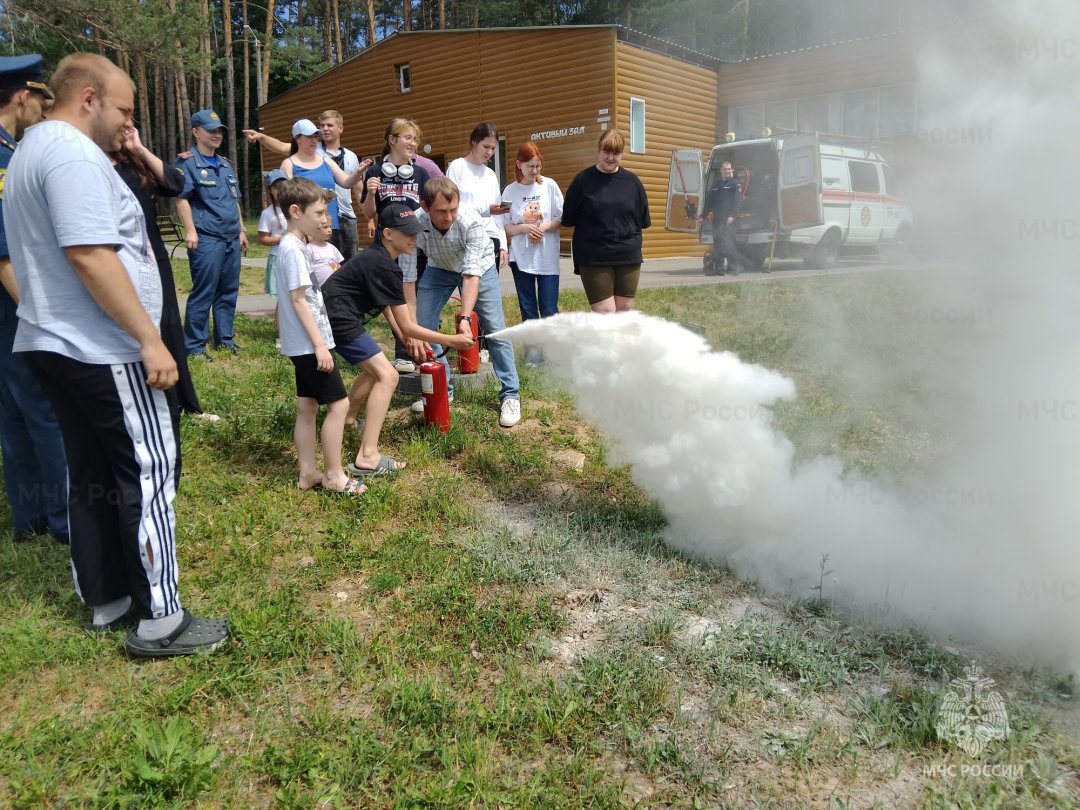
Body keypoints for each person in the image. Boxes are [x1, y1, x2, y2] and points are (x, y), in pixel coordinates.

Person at [6, 52, 227, 655]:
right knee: (148, 471)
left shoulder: (28, 149)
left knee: (94, 474)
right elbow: (91, 254)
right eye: (124, 109)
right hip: (104, 346)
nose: (128, 123)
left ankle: (109, 600)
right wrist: (150, 339)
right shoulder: (73, 154)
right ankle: (162, 621)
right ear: (88, 98)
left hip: (54, 341)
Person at [321, 204, 474, 474]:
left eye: (416, 232)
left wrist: (407, 335)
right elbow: (407, 324)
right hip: (337, 319)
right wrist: (451, 341)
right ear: (388, 233)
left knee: (374, 370)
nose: (414, 237)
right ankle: (367, 456)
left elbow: (388, 308)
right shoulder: (384, 266)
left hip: (333, 317)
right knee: (388, 375)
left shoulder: (380, 258)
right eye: (407, 233)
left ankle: (348, 418)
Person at [0, 54, 69, 544]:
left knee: (16, 413)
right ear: (22, 96)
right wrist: (38, 317)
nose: (41, 114)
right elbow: (4, 256)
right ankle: (67, 522)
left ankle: (30, 519)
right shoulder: (3, 158)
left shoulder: (10, 149)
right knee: (46, 410)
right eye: (39, 102)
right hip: (15, 306)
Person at [112, 127, 220, 424]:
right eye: (120, 117)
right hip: (118, 259)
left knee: (169, 326)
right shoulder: (92, 163)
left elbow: (175, 184)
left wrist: (139, 148)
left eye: (130, 120)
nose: (126, 126)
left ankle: (186, 403)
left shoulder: (133, 161)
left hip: (152, 256)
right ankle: (144, 404)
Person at [400, 177, 521, 428]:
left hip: (480, 268)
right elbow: (408, 278)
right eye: (441, 211)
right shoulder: (414, 224)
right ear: (425, 206)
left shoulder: (469, 221)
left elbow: (470, 274)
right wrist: (411, 325)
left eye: (453, 209)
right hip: (439, 268)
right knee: (424, 325)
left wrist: (465, 318)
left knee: (496, 329)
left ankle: (510, 394)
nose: (448, 217)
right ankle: (444, 389)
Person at [272, 177, 364, 497]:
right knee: (339, 405)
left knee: (307, 406)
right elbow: (299, 300)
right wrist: (319, 345)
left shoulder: (295, 246)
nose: (325, 219)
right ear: (295, 212)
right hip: (311, 345)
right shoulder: (293, 250)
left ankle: (307, 472)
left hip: (302, 344)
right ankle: (334, 475)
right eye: (319, 212)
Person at [173, 109, 248, 360]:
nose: (217, 135)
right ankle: (194, 346)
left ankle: (225, 339)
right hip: (206, 238)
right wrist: (190, 231)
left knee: (228, 290)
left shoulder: (225, 165)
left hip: (230, 237)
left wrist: (242, 229)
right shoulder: (187, 163)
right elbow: (181, 199)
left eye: (219, 131)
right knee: (204, 291)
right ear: (196, 132)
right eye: (211, 131)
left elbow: (234, 200)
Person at [360, 118, 432, 375]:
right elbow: (369, 213)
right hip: (387, 244)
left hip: (413, 243)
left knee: (411, 294)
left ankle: (416, 346)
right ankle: (403, 351)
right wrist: (370, 193)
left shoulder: (421, 174)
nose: (413, 143)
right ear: (393, 140)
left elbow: (426, 210)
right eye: (408, 138)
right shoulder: (376, 172)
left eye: (415, 139)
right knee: (392, 295)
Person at [560, 129, 650, 313]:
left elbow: (642, 220)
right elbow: (568, 218)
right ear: (598, 151)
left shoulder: (633, 182)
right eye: (606, 152)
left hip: (628, 256)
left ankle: (622, 344)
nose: (610, 157)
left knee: (625, 309)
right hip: (594, 257)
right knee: (605, 312)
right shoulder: (582, 181)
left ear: (621, 154)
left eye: (616, 153)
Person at [501, 141, 563, 367]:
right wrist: (525, 229)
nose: (535, 171)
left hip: (546, 258)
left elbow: (560, 218)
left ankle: (552, 354)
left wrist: (543, 228)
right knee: (528, 307)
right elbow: (505, 226)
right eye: (530, 166)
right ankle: (533, 356)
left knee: (548, 307)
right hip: (521, 258)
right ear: (519, 165)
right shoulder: (510, 191)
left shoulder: (549, 186)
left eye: (538, 166)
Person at [280, 118, 369, 252]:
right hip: (306, 229)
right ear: (297, 138)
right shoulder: (289, 164)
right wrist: (315, 193)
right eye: (309, 136)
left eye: (316, 136)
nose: (314, 140)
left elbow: (346, 182)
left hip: (329, 226)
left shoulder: (325, 160)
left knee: (333, 268)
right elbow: (287, 197)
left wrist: (358, 172)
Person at [446, 122, 508, 271]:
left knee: (489, 293)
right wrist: (486, 210)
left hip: (491, 238)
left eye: (493, 148)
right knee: (470, 291)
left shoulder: (491, 174)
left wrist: (503, 245)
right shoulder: (457, 166)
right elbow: (451, 206)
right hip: (466, 237)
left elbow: (498, 214)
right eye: (485, 146)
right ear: (473, 142)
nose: (490, 152)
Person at [315, 110, 362, 260]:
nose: (325, 129)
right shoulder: (314, 151)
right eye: (322, 125)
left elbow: (358, 188)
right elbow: (284, 147)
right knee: (326, 262)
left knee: (351, 263)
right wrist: (262, 137)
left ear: (341, 128)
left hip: (348, 216)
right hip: (324, 215)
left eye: (330, 125)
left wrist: (370, 220)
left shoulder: (351, 156)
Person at [699, 160, 748, 276]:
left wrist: (732, 215)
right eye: (725, 169)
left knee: (729, 243)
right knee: (718, 243)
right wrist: (702, 216)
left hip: (729, 220)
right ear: (721, 170)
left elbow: (737, 202)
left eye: (729, 169)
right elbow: (709, 203)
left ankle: (734, 267)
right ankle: (719, 268)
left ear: (731, 170)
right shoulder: (715, 186)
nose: (727, 171)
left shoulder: (735, 184)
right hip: (717, 220)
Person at [257, 169, 288, 299]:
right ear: (270, 190)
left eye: (284, 185)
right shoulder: (267, 213)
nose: (280, 190)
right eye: (276, 187)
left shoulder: (296, 208)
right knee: (282, 299)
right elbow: (262, 238)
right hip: (278, 257)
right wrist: (282, 238)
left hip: (295, 254)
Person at [309, 217, 344, 287]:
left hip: (335, 286)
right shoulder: (309, 249)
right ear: (314, 229)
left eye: (330, 227)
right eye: (325, 227)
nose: (330, 230)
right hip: (319, 289)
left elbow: (339, 265)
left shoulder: (332, 247)